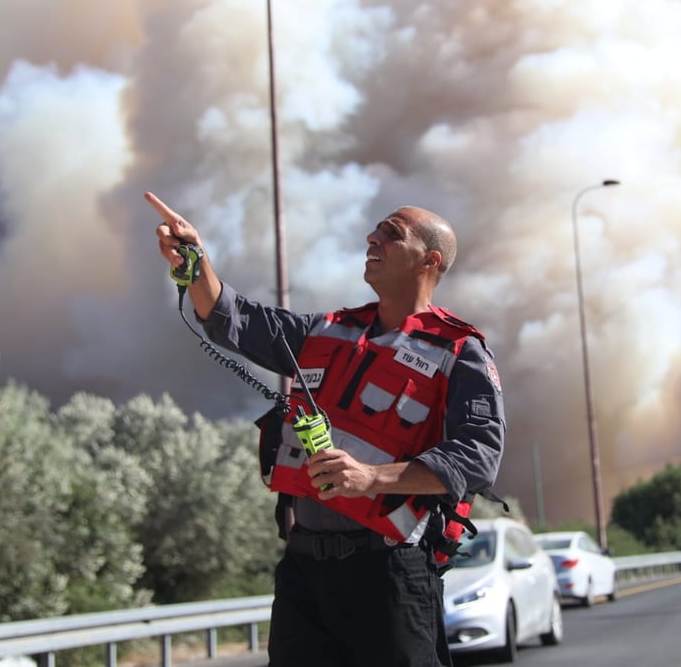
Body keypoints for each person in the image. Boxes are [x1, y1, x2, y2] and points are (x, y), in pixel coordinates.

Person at [145, 191, 506, 667]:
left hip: (389, 573)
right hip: (304, 571)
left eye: (391, 234)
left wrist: (372, 478)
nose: (371, 238)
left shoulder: (459, 350)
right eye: (375, 230)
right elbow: (239, 321)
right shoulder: (326, 330)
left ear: (429, 261)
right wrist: (197, 259)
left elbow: (479, 455)